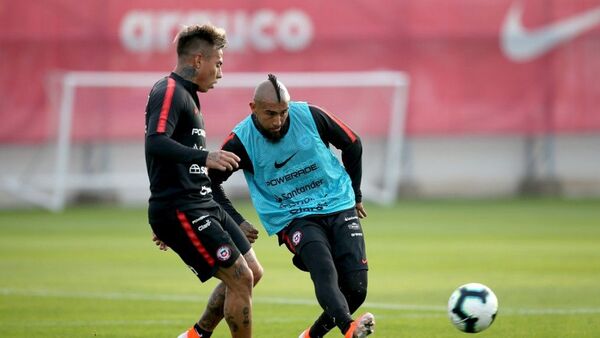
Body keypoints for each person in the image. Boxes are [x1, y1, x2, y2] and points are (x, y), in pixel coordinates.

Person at [209, 74, 375, 338]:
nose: (277, 121)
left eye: (283, 113)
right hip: (293, 217)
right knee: (323, 268)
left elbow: (352, 143)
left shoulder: (310, 115)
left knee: (356, 289)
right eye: (270, 114)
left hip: (338, 203)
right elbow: (211, 183)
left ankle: (311, 335)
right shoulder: (240, 141)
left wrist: (355, 195)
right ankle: (349, 328)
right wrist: (236, 221)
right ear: (253, 108)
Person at [144, 23, 263, 338]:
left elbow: (178, 162)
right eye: (218, 63)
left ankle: (196, 335)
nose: (220, 73)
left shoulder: (189, 97)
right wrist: (204, 157)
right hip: (182, 207)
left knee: (252, 272)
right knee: (240, 278)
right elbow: (155, 142)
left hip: (201, 204)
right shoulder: (168, 90)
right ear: (198, 60)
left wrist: (234, 218)